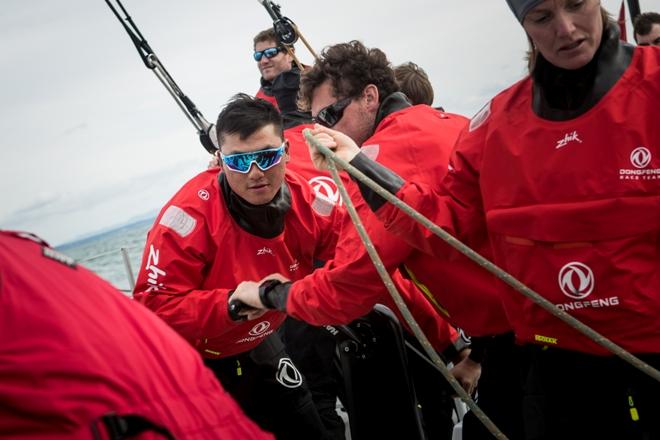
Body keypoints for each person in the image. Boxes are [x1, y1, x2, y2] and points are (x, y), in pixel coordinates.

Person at [305, 1, 660, 439]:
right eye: (543, 17)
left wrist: (278, 296)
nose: (566, 29)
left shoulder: (653, 84)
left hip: (596, 343)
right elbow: (451, 226)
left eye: (576, 4)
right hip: (561, 345)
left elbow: (353, 282)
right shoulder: (483, 122)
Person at [230, 40, 519, 440]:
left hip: (524, 339)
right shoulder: (449, 121)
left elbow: (349, 286)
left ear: (370, 97)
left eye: (331, 114)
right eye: (317, 122)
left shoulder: (383, 161)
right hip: (533, 320)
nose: (325, 132)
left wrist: (268, 295)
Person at [133, 94, 342, 440]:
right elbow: (151, 310)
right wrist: (231, 303)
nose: (256, 173)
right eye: (239, 162)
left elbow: (363, 258)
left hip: (261, 342)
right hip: (201, 364)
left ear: (287, 152)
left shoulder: (308, 202)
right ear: (219, 160)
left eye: (267, 156)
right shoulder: (186, 219)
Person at [0, 230, 271, 440]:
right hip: (205, 404)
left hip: (203, 401)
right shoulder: (31, 253)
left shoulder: (25, 254)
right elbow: (160, 308)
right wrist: (230, 305)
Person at [253, 28, 295, 109]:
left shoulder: (317, 82)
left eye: (270, 53)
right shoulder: (257, 105)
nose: (263, 61)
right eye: (258, 56)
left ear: (290, 54)